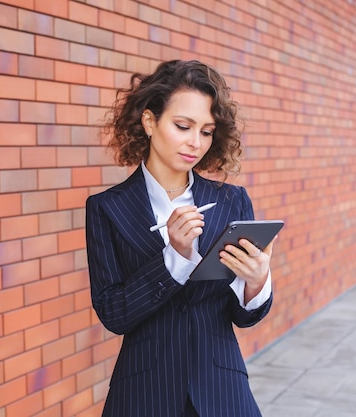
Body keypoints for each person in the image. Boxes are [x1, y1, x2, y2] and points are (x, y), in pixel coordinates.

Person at [85, 59, 277, 417]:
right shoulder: (106, 208)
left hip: (223, 390)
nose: (195, 143)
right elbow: (114, 314)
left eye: (206, 131)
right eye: (183, 126)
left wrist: (257, 282)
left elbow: (243, 316)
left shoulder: (232, 201)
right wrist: (173, 257)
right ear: (149, 122)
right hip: (144, 394)